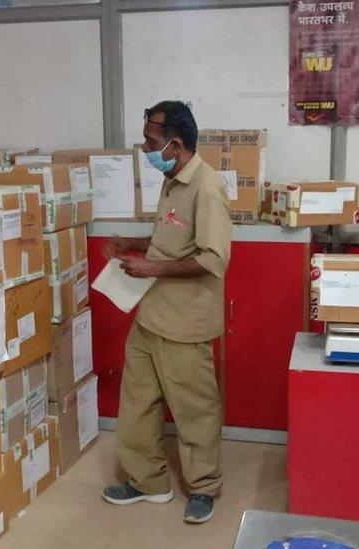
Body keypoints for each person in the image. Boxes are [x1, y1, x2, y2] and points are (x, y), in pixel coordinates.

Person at [101, 101, 232, 524]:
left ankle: (204, 487)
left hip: (185, 323)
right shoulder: (171, 179)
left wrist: (151, 267)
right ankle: (148, 482)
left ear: (174, 144)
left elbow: (213, 259)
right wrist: (136, 245)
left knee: (195, 410)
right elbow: (173, 237)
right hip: (151, 316)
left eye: (150, 142)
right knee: (137, 405)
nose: (145, 149)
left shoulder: (206, 187)